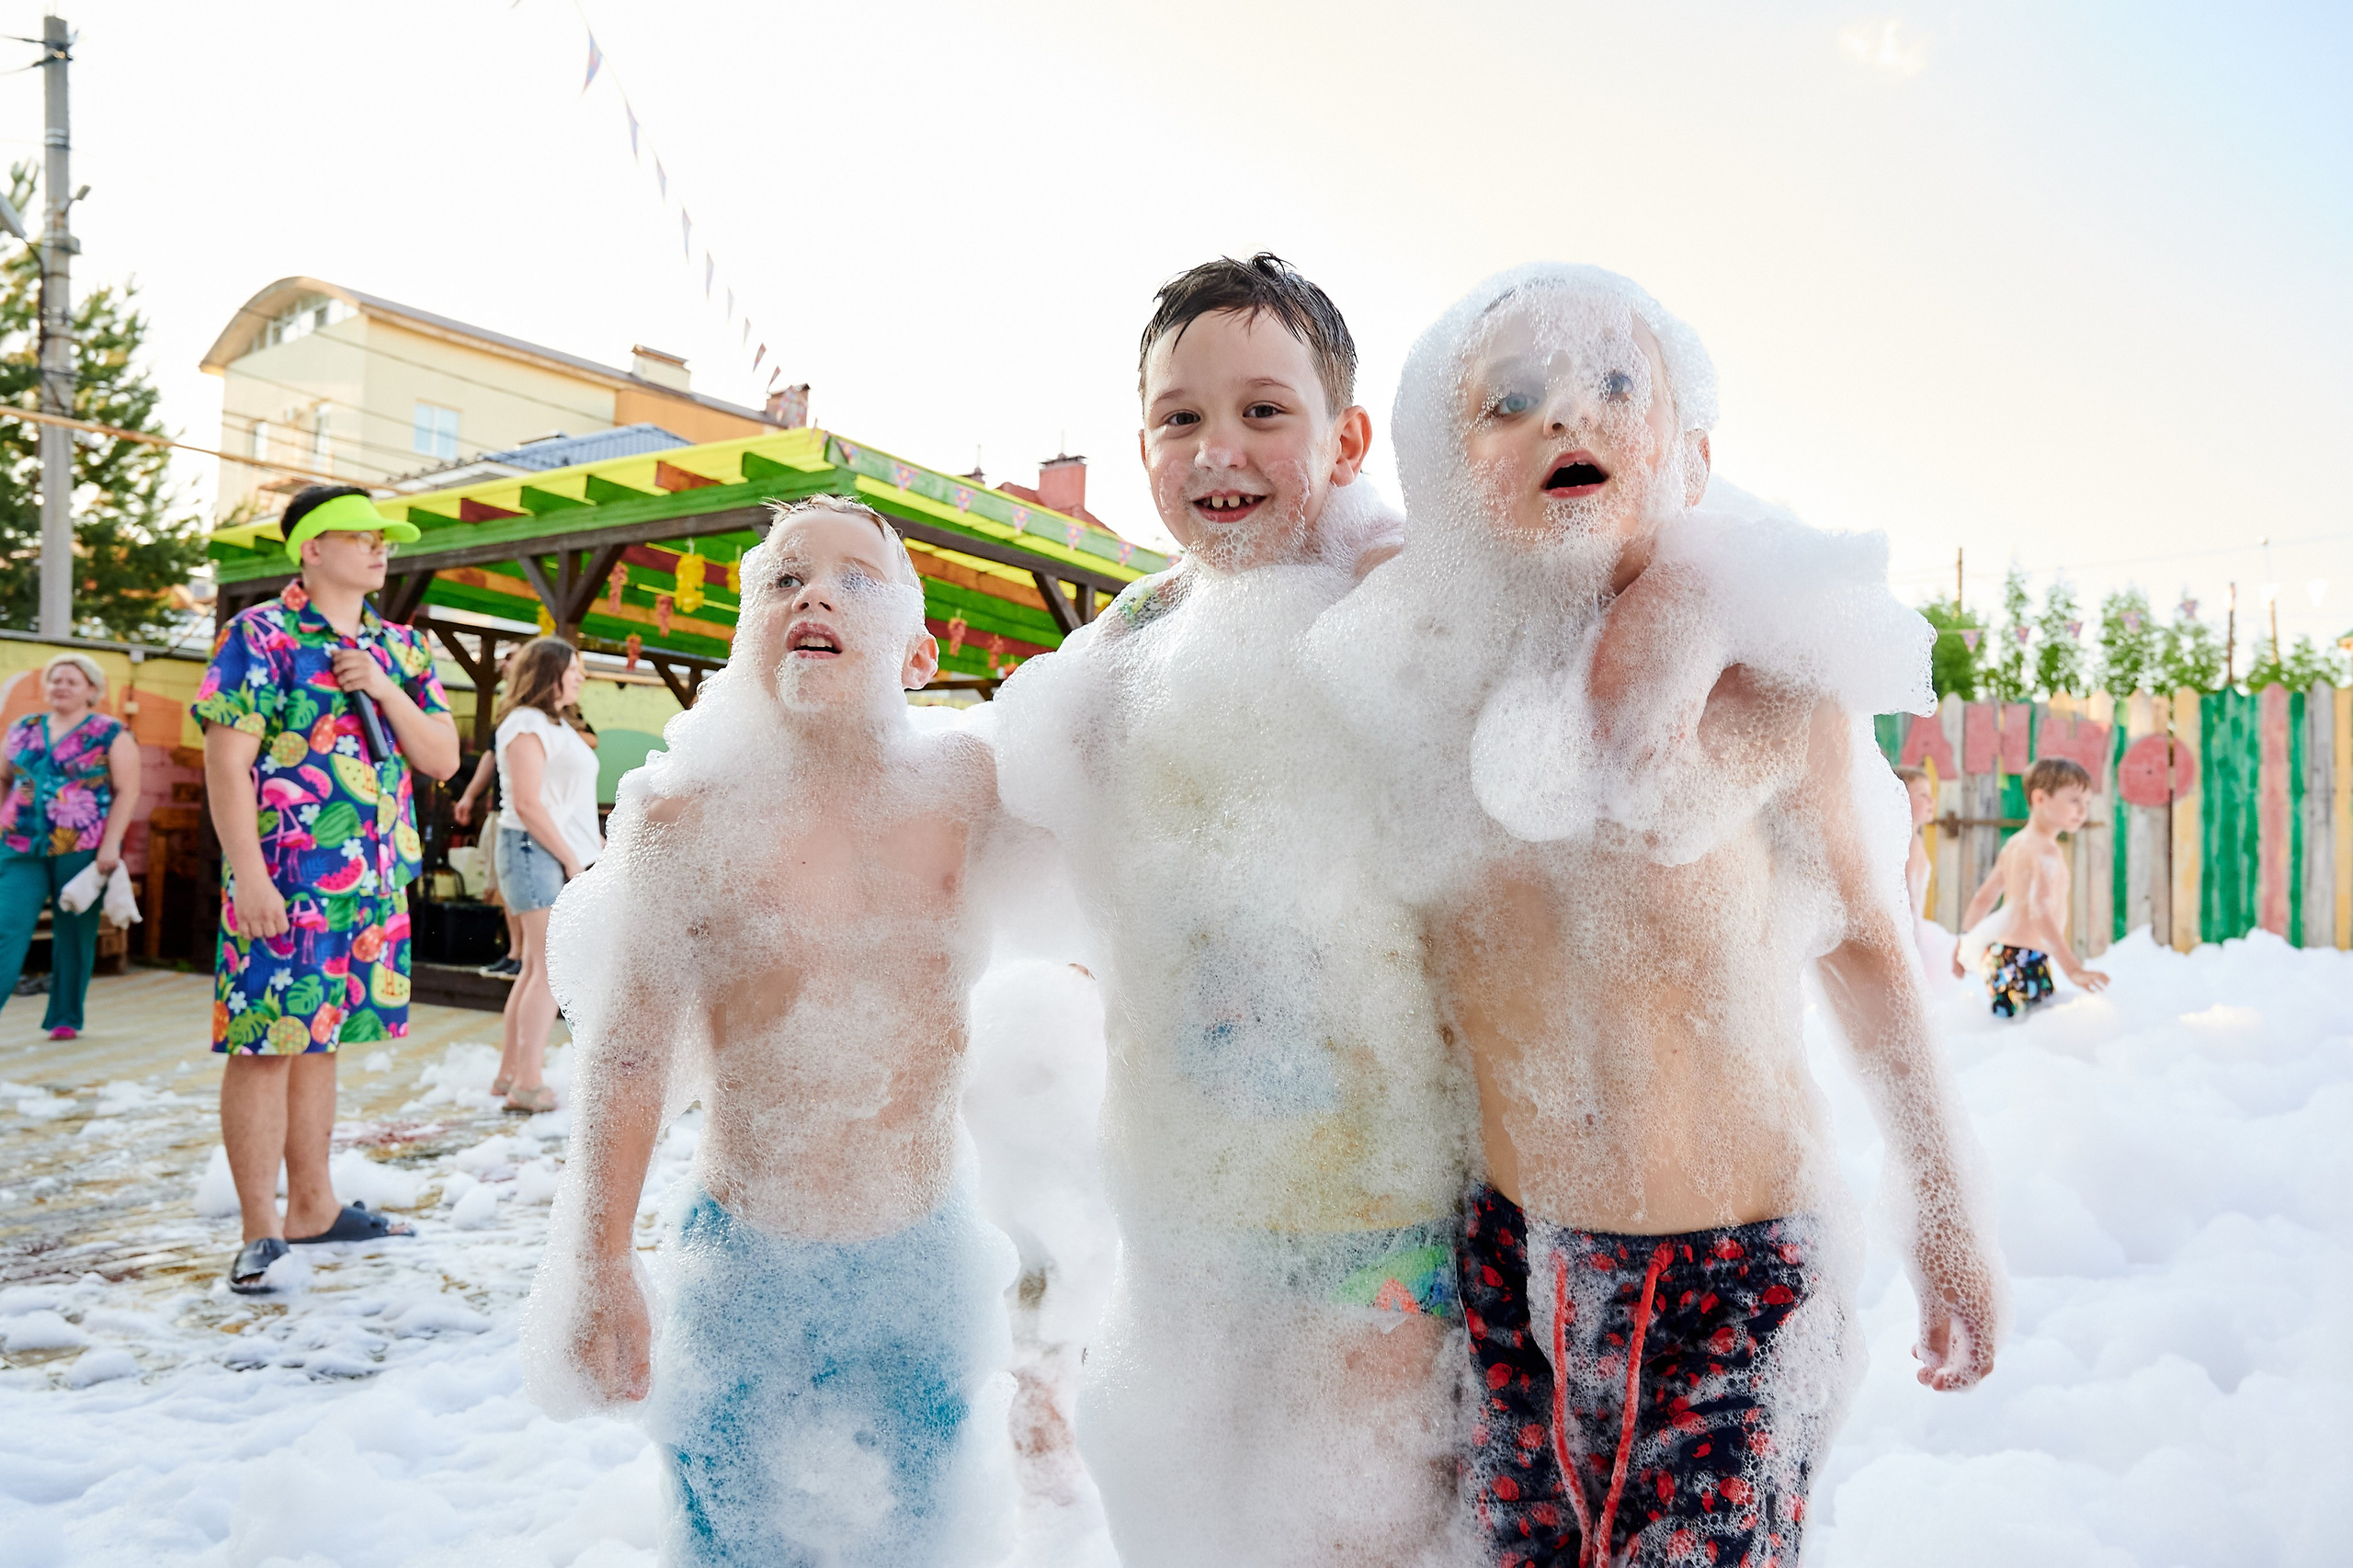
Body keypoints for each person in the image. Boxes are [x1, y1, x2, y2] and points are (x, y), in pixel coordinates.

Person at [1325, 265, 2002, 1567]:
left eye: (1613, 383)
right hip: (1507, 1266)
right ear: (1448, 472)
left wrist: (1942, 1201)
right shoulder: (1418, 692)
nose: (1563, 414)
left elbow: (1866, 946)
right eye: (1508, 400)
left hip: (1731, 1284)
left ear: (1688, 451)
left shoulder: (1767, 688)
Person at [990, 255, 1475, 1567]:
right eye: (1180, 417)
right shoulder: (1132, 640)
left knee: (1366, 1538)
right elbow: (1013, 802)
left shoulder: (1394, 603)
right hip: (1186, 1210)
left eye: (1265, 410)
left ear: (1347, 440)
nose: (1220, 448)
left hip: (1379, 1207)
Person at [529, 497, 1018, 1566]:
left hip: (924, 1253)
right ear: (749, 630)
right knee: (732, 1538)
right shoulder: (683, 817)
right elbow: (628, 1049)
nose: (815, 594)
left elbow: (1116, 803)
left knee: (924, 1533)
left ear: (919, 655)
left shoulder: (967, 788)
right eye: (785, 577)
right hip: (746, 1259)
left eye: (856, 577)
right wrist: (599, 1258)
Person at [195, 484, 460, 1293]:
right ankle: (259, 1230)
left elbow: (441, 758)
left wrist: (382, 685)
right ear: (312, 548)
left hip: (372, 881)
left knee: (321, 1039)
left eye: (385, 539)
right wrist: (249, 875)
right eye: (362, 535)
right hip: (285, 878)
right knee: (265, 1044)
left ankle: (313, 1207)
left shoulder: (402, 647)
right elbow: (226, 763)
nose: (381, 548)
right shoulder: (260, 634)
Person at [488, 636, 602, 1112]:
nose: (580, 678)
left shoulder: (553, 723)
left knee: (537, 969)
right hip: (533, 850)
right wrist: (571, 859)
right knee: (549, 971)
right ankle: (527, 1085)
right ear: (549, 674)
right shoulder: (525, 723)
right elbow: (527, 804)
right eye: (573, 670)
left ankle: (509, 1075)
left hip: (547, 851)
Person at [0, 653, 142, 1038]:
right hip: (19, 846)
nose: (60, 686)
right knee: (6, 928)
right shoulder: (23, 728)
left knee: (75, 934)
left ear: (92, 690)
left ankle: (65, 1017)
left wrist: (110, 846)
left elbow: (127, 790)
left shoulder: (110, 733)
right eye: (55, 679)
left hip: (82, 847)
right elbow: (8, 779)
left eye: (71, 681)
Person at [1953, 756, 2108, 1016]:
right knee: (2028, 1028)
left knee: (2009, 1027)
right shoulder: (2046, 851)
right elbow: (2040, 912)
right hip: (2024, 958)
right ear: (2040, 799)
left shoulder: (2015, 844)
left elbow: (1984, 897)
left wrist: (1962, 944)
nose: (2083, 810)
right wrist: (2074, 970)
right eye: (2074, 800)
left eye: (2087, 802)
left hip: (2000, 955)